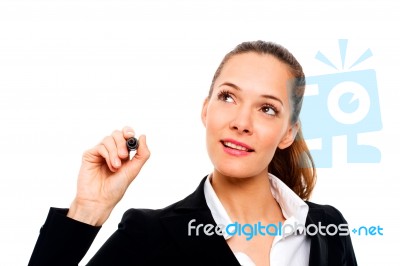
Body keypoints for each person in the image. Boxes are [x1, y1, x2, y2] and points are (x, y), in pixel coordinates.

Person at [28, 41, 357, 266]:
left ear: (288, 132)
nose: (241, 122)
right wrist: (88, 209)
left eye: (267, 108)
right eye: (228, 97)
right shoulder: (149, 236)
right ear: (205, 110)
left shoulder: (327, 228)